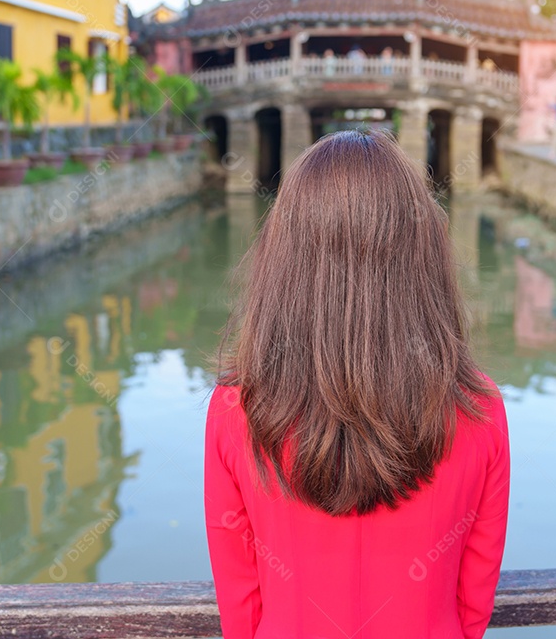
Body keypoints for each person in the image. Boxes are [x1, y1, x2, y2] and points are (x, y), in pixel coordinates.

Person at [205, 129, 509, 639]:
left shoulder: (238, 410)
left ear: (283, 255)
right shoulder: (478, 410)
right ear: (424, 251)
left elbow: (241, 604)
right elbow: (472, 602)